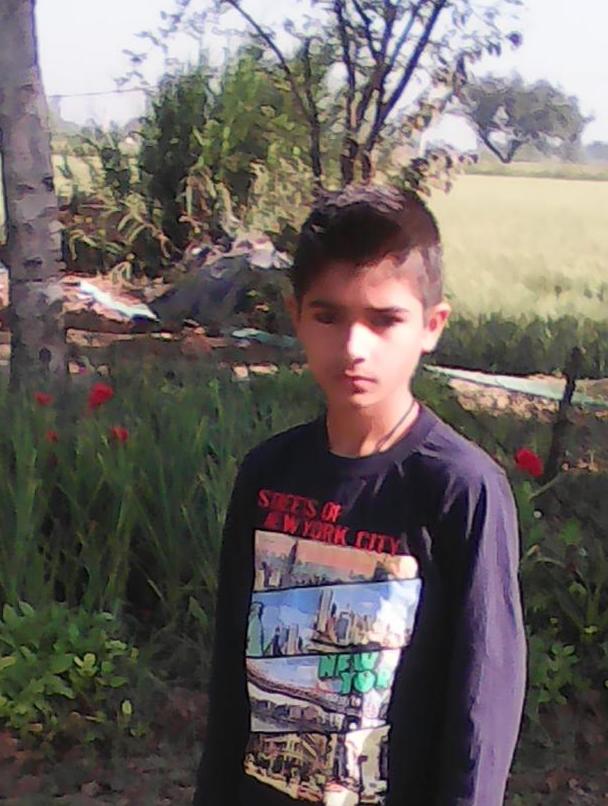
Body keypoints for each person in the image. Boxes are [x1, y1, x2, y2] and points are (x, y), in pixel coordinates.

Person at [192, 184, 527, 806]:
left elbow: (481, 711)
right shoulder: (268, 475)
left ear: (431, 326)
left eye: (384, 320)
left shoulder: (460, 490)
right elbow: (232, 685)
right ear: (296, 316)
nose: (353, 347)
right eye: (329, 316)